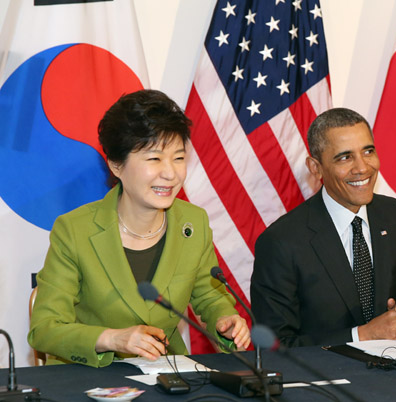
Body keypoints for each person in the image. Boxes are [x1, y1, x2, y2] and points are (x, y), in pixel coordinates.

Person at [28, 89, 250, 367]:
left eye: (179, 158)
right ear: (116, 165)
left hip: (167, 375)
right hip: (89, 378)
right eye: (154, 159)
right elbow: (46, 328)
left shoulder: (194, 223)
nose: (170, 173)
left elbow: (208, 295)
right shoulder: (74, 230)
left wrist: (224, 320)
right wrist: (112, 338)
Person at [250, 107, 396, 347]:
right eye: (345, 157)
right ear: (316, 168)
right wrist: (363, 335)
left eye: (368, 151)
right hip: (324, 381)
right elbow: (275, 346)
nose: (362, 168)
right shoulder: (281, 241)